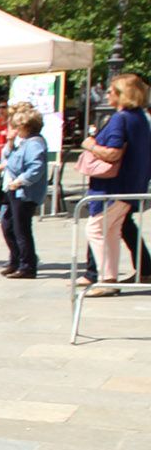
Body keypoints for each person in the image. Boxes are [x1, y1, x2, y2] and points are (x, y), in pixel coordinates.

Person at [78, 72, 151, 296]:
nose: (107, 94)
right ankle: (108, 277)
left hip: (113, 187)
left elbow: (112, 153)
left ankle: (106, 279)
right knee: (111, 230)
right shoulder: (140, 118)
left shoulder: (121, 118)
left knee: (95, 229)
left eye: (111, 91)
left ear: (122, 95)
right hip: (132, 186)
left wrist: (89, 144)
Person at [0, 105, 49, 280]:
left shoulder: (35, 143)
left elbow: (36, 167)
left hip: (24, 193)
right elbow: (9, 158)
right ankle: (17, 260)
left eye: (18, 126)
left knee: (22, 230)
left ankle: (27, 265)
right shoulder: (26, 141)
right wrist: (11, 142)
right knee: (9, 225)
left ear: (26, 126)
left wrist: (20, 181)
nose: (15, 130)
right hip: (15, 191)